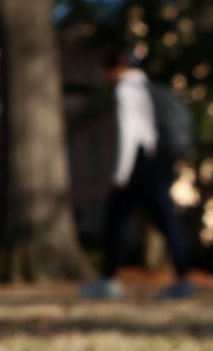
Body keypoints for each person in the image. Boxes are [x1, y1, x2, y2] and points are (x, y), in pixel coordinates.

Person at [83, 51, 194, 301]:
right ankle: (183, 278)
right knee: (166, 219)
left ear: (115, 69)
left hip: (140, 163)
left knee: (114, 221)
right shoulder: (149, 88)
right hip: (159, 163)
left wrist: (121, 174)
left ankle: (109, 280)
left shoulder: (126, 90)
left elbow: (130, 134)